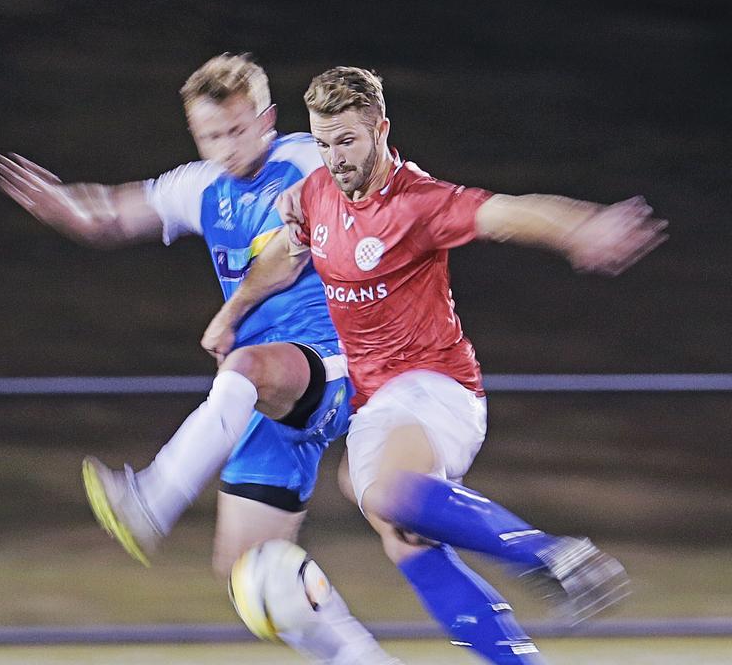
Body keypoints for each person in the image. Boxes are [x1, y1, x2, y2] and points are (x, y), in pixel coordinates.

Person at [204, 66, 668, 664]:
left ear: (380, 129)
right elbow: (288, 258)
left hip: (436, 386)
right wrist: (234, 310)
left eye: (347, 141)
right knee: (402, 535)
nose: (335, 158)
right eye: (322, 142)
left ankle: (553, 555)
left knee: (393, 494)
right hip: (376, 399)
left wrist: (579, 226)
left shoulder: (418, 203)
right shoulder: (315, 192)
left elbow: (507, 213)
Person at [0, 53, 398, 664]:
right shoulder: (201, 187)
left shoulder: (308, 162)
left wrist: (231, 316)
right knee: (251, 574)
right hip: (271, 391)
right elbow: (115, 214)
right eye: (211, 136)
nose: (227, 147)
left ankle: (155, 497)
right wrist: (66, 207)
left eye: (237, 130)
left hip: (340, 362)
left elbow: (325, 227)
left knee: (246, 367)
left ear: (267, 119)